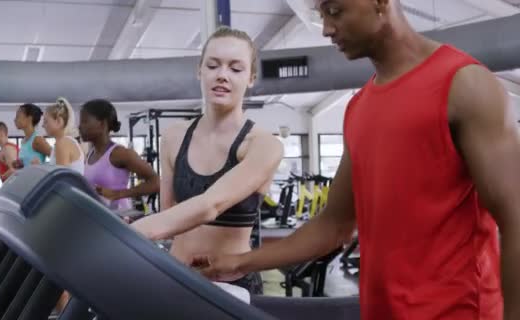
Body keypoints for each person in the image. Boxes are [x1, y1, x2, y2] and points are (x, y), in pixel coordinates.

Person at [193, 1, 520, 319]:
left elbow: (516, 220)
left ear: (380, 3)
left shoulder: (465, 86)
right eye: (321, 15)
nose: (326, 29)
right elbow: (333, 226)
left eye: (335, 12)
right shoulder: (359, 107)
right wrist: (236, 262)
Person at [130, 27, 284, 295]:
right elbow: (168, 217)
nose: (222, 75)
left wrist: (128, 232)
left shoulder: (264, 145)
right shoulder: (174, 137)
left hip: (232, 285)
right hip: (176, 276)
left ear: (251, 78)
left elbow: (210, 204)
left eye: (236, 69)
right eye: (213, 65)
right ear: (199, 70)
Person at [79, 98, 159, 211]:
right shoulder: (90, 154)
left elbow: (156, 182)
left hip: (118, 218)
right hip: (98, 218)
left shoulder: (120, 154)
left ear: (102, 124)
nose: (80, 126)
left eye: (85, 121)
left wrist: (119, 194)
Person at [43, 97, 84, 174]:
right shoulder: (64, 142)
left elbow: (60, 180)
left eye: (46, 121)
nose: (43, 125)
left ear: (59, 121)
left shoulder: (63, 143)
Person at [14, 103, 51, 168]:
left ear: (29, 119)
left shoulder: (37, 140)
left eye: (18, 116)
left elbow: (56, 159)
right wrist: (20, 164)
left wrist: (41, 165)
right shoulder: (23, 141)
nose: (15, 120)